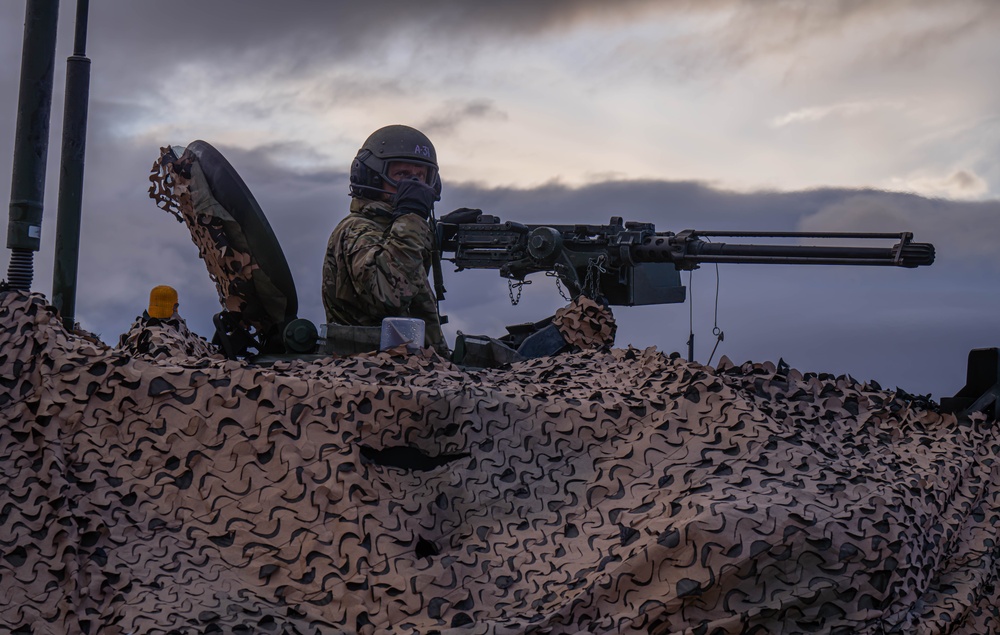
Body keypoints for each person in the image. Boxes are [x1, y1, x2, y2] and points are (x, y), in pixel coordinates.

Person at [322, 125, 449, 355]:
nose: (414, 185)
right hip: (367, 373)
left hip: (404, 370)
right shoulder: (356, 230)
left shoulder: (402, 228)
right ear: (370, 176)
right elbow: (391, 295)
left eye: (421, 176)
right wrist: (411, 217)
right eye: (401, 175)